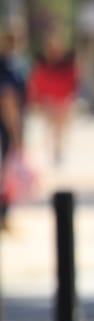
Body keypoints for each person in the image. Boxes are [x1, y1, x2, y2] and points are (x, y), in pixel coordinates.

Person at [27, 35, 79, 167]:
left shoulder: (66, 63)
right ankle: (51, 152)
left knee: (60, 128)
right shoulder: (43, 64)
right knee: (50, 127)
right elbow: (37, 82)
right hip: (49, 100)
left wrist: (70, 97)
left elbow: (73, 80)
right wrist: (37, 100)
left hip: (63, 99)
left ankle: (58, 150)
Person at [0, 30, 26, 232]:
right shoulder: (7, 68)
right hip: (5, 130)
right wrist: (17, 135)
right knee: (5, 174)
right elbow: (8, 103)